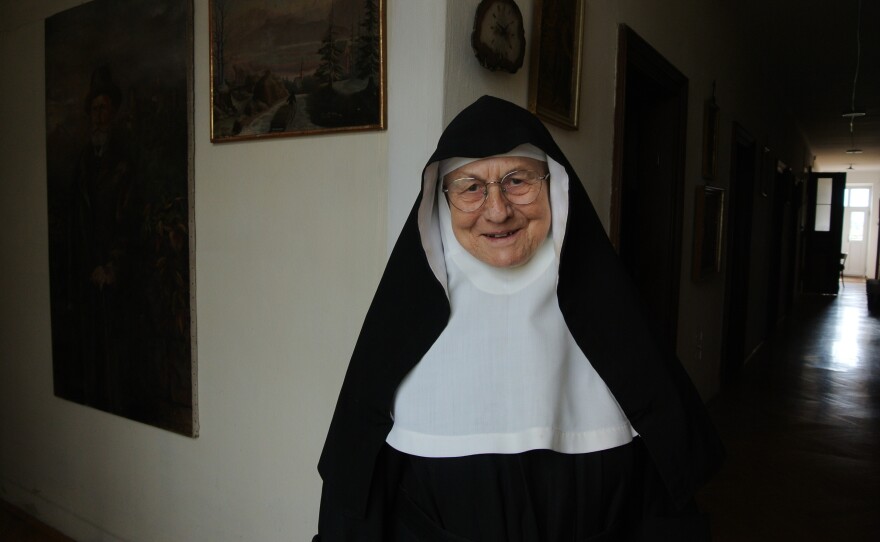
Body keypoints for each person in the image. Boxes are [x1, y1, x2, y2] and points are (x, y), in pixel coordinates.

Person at [315, 96, 723, 541]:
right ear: (442, 201)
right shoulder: (397, 336)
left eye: (517, 181)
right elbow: (354, 508)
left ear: (554, 186)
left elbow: (665, 507)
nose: (497, 210)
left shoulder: (616, 323)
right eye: (470, 187)